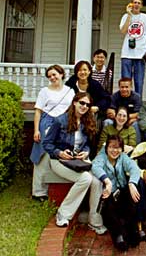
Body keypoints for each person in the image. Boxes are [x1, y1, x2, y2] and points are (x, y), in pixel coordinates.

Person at [42, 92, 105, 233]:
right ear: (74, 102)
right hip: (59, 160)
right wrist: (59, 153)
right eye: (82, 103)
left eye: (87, 105)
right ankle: (63, 213)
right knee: (86, 178)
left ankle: (93, 219)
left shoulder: (86, 121)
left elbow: (87, 144)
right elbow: (47, 143)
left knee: (96, 180)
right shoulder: (60, 121)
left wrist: (86, 152)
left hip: (79, 160)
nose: (84, 107)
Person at [30, 64, 75, 201]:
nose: (52, 78)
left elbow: (73, 110)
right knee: (42, 156)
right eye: (49, 76)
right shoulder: (44, 91)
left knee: (59, 154)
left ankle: (57, 187)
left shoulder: (70, 91)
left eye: (54, 74)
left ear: (61, 74)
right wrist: (36, 130)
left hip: (64, 124)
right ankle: (38, 191)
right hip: (47, 124)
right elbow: (38, 111)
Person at [92, 135, 142, 251]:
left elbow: (134, 168)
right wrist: (107, 181)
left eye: (118, 148)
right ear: (106, 148)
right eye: (112, 147)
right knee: (108, 207)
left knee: (132, 197)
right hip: (108, 192)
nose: (115, 151)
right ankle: (118, 235)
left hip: (122, 191)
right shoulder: (102, 157)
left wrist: (132, 183)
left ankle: (132, 230)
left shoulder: (123, 157)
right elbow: (95, 167)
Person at [119, 0, 146, 97]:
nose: (136, 4)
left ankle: (137, 104)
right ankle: (125, 102)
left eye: (139, 3)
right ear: (131, 4)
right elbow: (123, 31)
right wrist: (129, 15)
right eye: (134, 2)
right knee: (126, 81)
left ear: (141, 6)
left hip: (140, 53)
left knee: (139, 81)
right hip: (127, 53)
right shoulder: (125, 16)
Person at [105, 77, 142, 142]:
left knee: (136, 124)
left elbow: (138, 113)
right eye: (122, 87)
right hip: (116, 120)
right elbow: (110, 111)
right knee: (107, 122)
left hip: (130, 121)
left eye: (126, 87)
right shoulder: (114, 96)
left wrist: (125, 118)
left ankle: (136, 147)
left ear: (131, 87)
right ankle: (105, 145)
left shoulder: (136, 97)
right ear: (119, 87)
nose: (124, 89)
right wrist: (119, 118)